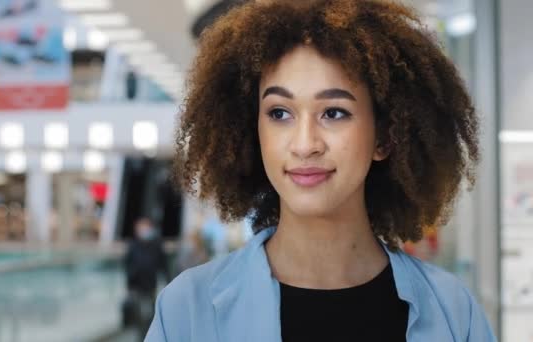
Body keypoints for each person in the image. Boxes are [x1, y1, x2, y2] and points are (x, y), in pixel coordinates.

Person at [146, 0, 496, 341]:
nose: (304, 144)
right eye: (279, 113)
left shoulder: (453, 312)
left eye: (334, 112)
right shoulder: (186, 311)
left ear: (385, 137)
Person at [124, 217, 167, 339]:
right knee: (141, 317)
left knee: (150, 315)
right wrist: (129, 286)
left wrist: (167, 281)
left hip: (151, 286)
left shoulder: (156, 245)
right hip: (137, 288)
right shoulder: (133, 246)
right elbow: (127, 265)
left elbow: (162, 265)